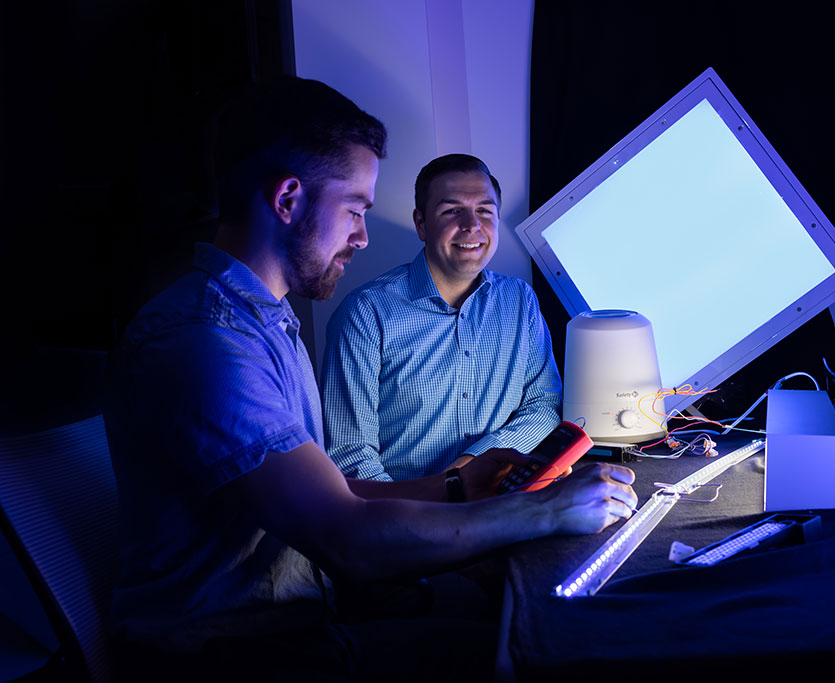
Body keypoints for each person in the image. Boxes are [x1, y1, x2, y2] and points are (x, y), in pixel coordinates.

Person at [103, 76, 636, 681]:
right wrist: (544, 514)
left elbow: (336, 493)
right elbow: (345, 537)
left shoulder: (266, 322)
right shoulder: (206, 342)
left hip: (302, 620)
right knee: (546, 656)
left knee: (520, 621)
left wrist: (458, 486)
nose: (361, 234)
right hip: (231, 655)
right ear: (287, 199)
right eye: (355, 209)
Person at [321, 154, 561, 489]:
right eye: (451, 211)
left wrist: (471, 464)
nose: (472, 226)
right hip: (404, 522)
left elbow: (545, 407)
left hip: (503, 507)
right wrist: (442, 499)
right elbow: (349, 455)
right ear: (421, 224)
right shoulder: (364, 314)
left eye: (484, 211)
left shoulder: (519, 301)